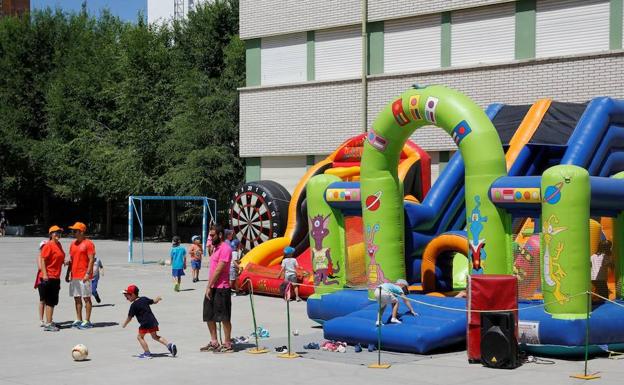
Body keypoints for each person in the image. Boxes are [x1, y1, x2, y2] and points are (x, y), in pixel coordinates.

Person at [201, 225, 233, 353]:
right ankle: (214, 342)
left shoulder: (226, 248)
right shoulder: (215, 248)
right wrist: (209, 286)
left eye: (212, 235)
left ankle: (227, 343)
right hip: (212, 287)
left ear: (220, 235)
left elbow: (219, 270)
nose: (210, 237)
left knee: (224, 317)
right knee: (209, 315)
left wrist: (209, 286)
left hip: (222, 288)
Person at [121, 284, 177, 359]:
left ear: (133, 295)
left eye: (127, 296)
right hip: (153, 321)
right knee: (155, 336)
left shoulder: (133, 305)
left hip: (145, 323)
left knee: (140, 337)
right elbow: (154, 301)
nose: (126, 298)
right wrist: (157, 299)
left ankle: (147, 353)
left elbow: (129, 317)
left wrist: (124, 324)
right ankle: (169, 345)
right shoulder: (144, 299)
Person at [68, 222, 96, 329]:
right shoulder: (73, 244)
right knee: (77, 298)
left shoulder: (88, 244)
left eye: (75, 231)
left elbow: (91, 260)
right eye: (73, 231)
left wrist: (88, 274)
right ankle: (79, 319)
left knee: (86, 298)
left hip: (84, 276)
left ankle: (87, 320)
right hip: (74, 275)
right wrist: (68, 274)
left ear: (82, 231)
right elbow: (72, 260)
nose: (73, 232)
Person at [38, 226, 66, 332]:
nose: (58, 234)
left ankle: (49, 320)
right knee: (50, 300)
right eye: (55, 233)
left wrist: (65, 262)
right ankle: (48, 324)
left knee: (53, 301)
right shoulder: (48, 245)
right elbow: (43, 260)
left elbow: (59, 257)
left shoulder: (58, 245)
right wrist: (45, 274)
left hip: (56, 276)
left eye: (59, 233)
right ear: (50, 234)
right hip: (48, 277)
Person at [35, 240, 47, 327]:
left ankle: (49, 319)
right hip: (41, 279)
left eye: (46, 246)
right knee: (42, 300)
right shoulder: (40, 256)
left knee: (49, 300)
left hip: (51, 278)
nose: (44, 248)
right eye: (43, 247)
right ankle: (41, 319)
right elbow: (40, 267)